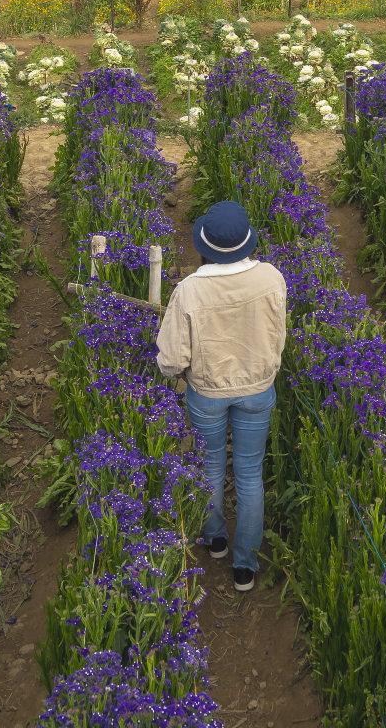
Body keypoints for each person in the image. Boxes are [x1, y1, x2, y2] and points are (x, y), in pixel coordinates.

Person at [156, 199, 287, 593]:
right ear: (247, 241)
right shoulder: (271, 278)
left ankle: (215, 541)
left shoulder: (191, 289)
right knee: (249, 476)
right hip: (257, 390)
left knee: (210, 468)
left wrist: (175, 376)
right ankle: (244, 567)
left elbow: (171, 358)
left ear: (204, 246)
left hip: (207, 392)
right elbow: (277, 334)